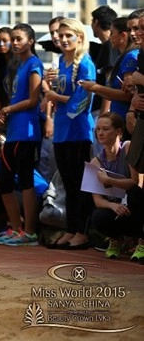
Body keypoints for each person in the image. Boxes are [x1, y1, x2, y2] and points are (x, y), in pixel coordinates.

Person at [43, 19, 96, 249]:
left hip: (79, 132)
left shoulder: (85, 63)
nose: (63, 40)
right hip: (62, 132)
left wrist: (54, 97)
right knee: (67, 183)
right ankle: (70, 229)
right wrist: (49, 87)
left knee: (80, 184)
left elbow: (83, 100)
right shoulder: (61, 63)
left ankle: (82, 232)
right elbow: (59, 96)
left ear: (80, 37)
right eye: (61, 36)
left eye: (68, 36)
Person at [0, 23, 43, 246]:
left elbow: (33, 100)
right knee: (4, 182)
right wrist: (4, 114)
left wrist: (8, 109)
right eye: (12, 38)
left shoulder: (34, 64)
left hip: (28, 132)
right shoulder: (18, 66)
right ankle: (16, 228)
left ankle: (30, 232)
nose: (14, 43)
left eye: (19, 38)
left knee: (25, 182)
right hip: (13, 132)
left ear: (30, 41)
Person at [88, 113, 143, 261]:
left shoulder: (128, 148)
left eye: (105, 129)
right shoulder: (95, 162)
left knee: (135, 193)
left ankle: (142, 241)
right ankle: (115, 239)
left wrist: (109, 180)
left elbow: (135, 181)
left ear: (118, 132)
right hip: (118, 209)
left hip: (135, 206)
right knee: (98, 216)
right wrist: (112, 205)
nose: (100, 133)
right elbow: (97, 200)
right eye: (98, 129)